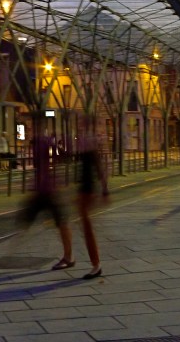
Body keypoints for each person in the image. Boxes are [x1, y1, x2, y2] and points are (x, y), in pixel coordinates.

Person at [18, 131, 74, 272]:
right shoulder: (43, 142)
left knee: (61, 223)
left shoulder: (45, 141)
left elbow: (62, 156)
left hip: (50, 189)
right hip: (44, 189)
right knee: (60, 223)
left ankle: (68, 257)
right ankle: (68, 256)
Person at [76, 115, 109, 280]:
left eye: (82, 123)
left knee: (87, 227)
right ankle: (95, 264)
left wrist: (104, 190)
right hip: (85, 188)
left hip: (88, 189)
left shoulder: (91, 143)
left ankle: (96, 265)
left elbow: (99, 168)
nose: (80, 125)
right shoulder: (86, 142)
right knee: (85, 225)